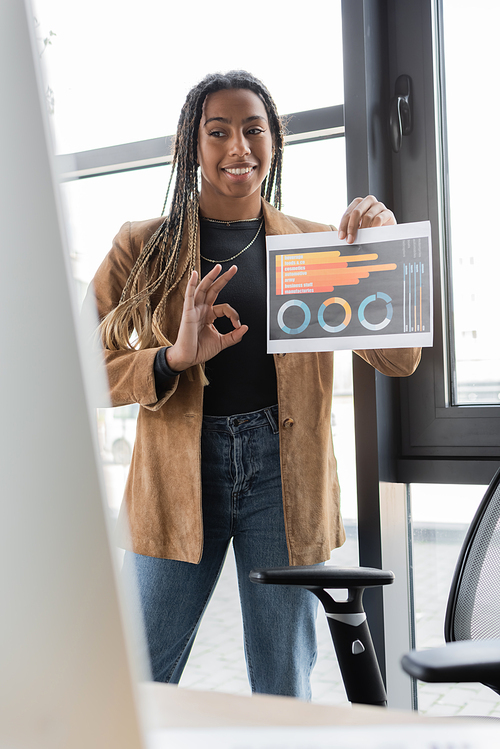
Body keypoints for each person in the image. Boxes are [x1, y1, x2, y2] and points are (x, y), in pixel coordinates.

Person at [89, 70, 421, 700]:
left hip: (284, 480)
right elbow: (73, 363)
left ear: (276, 142)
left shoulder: (318, 247)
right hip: (177, 480)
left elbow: (398, 360)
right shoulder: (143, 248)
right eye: (217, 132)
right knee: (136, 681)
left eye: (253, 130)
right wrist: (171, 358)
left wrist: (382, 250)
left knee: (282, 685)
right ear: (192, 145)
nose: (237, 148)